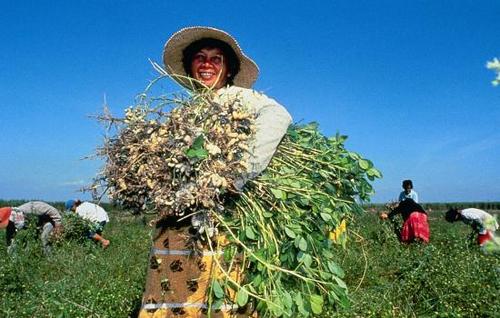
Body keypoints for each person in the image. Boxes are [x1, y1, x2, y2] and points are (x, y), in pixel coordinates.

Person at [140, 26, 292, 317]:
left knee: (218, 291)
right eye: (200, 58)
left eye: (216, 59)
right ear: (190, 66)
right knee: (172, 292)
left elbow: (279, 115)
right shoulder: (184, 110)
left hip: (222, 219)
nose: (206, 64)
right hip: (179, 221)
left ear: (228, 68)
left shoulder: (240, 98)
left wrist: (238, 171)